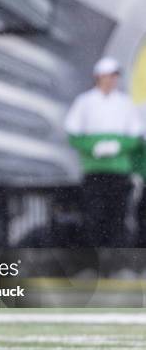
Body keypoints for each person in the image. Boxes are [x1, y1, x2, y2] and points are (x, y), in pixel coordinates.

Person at [64, 57, 143, 247]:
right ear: (98, 77)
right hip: (94, 171)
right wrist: (94, 148)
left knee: (117, 218)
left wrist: (118, 147)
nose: (111, 80)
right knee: (94, 217)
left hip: (119, 172)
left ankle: (114, 264)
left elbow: (135, 135)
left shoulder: (125, 103)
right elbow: (73, 133)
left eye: (114, 76)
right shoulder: (85, 102)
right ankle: (95, 261)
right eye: (108, 76)